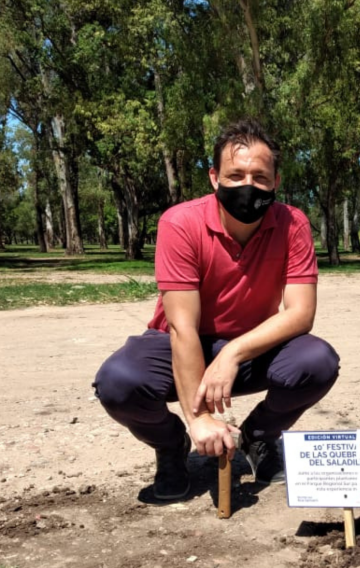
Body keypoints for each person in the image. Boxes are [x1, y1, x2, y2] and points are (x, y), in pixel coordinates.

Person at [94, 119, 340, 501]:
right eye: (235, 174)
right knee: (118, 382)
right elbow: (181, 328)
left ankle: (259, 435)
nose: (248, 186)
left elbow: (300, 313)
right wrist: (199, 419)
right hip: (177, 343)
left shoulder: (293, 224)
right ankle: (171, 445)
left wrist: (233, 352)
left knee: (317, 361)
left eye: (260, 176)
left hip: (249, 350)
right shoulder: (180, 223)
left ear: (276, 181)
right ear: (214, 177)